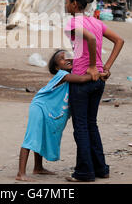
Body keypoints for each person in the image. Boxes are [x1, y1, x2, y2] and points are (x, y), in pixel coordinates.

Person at [16, 50, 105, 181]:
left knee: (40, 136)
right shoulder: (62, 74)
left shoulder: (71, 74)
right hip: (39, 107)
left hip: (47, 109)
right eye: (62, 59)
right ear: (57, 67)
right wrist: (99, 74)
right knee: (32, 138)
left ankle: (38, 167)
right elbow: (82, 79)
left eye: (68, 56)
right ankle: (20, 174)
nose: (67, 59)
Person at [64, 0, 124, 182]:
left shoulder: (73, 22)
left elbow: (89, 38)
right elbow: (119, 40)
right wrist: (105, 66)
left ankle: (84, 172)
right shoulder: (96, 22)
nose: (65, 5)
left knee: (81, 126)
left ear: (74, 4)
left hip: (83, 79)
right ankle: (101, 169)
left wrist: (90, 66)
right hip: (99, 80)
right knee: (91, 124)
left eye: (66, 2)